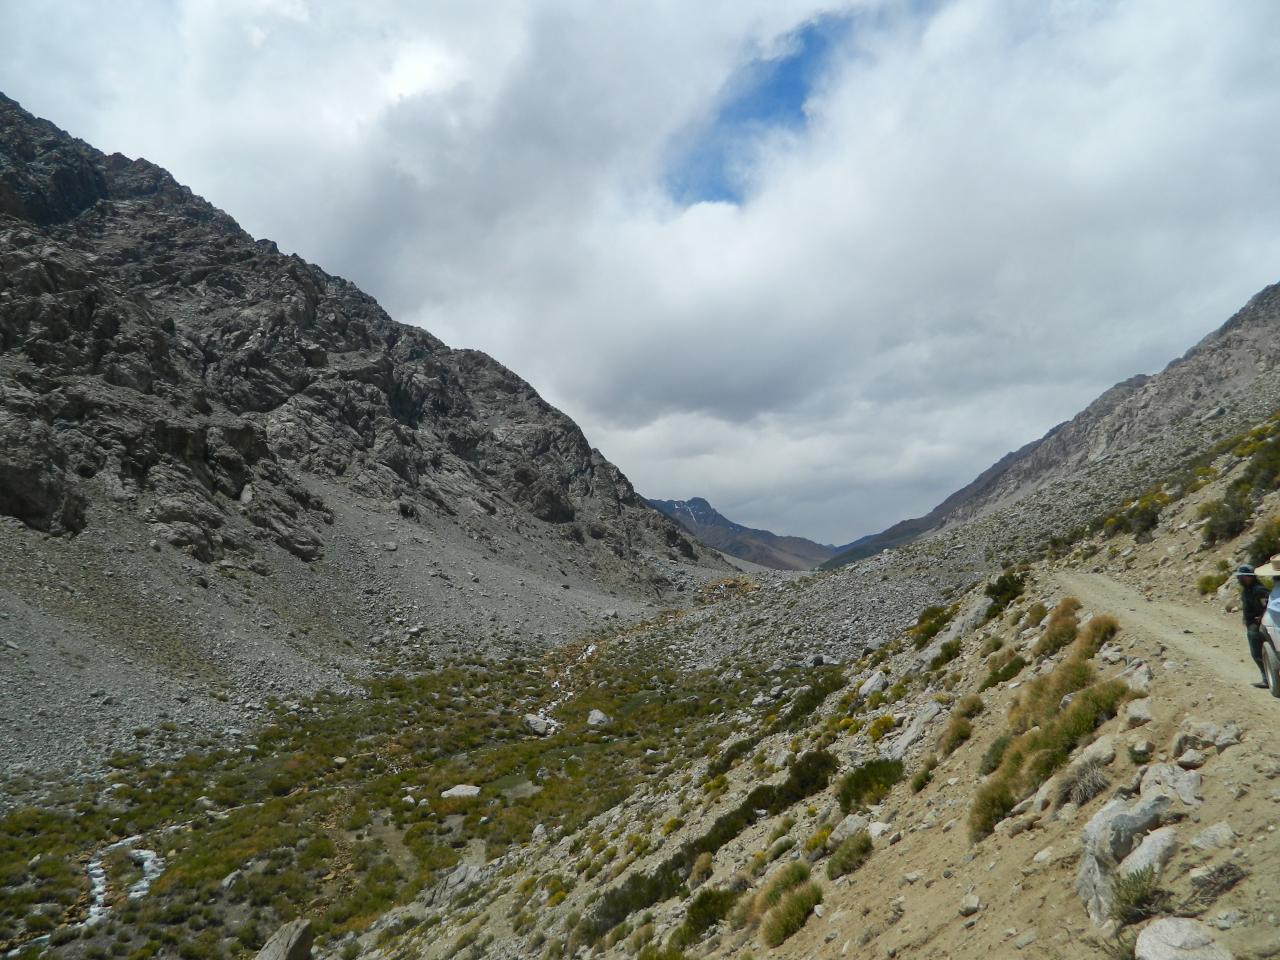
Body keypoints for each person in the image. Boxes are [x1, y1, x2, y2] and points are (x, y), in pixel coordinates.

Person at [1242, 560, 1276, 688]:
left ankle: (1267, 679)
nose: (1240, 579)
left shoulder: (1258, 590)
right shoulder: (1248, 590)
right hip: (1252, 624)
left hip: (1257, 626)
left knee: (1258, 653)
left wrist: (1260, 617)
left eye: (1242, 576)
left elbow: (1268, 606)